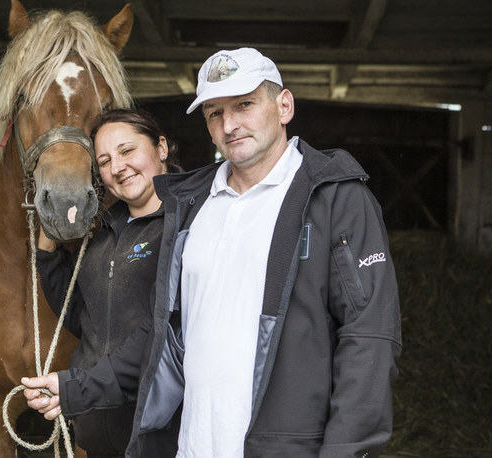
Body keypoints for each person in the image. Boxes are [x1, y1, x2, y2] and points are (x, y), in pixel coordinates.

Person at [23, 47, 402, 458]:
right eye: (215, 113)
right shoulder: (192, 206)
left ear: (284, 105)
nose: (231, 124)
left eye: (244, 105)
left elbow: (369, 338)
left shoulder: (335, 199)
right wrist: (75, 388)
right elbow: (162, 335)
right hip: (194, 446)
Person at [35, 108, 180, 457]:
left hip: (159, 437)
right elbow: (81, 319)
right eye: (104, 160)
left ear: (161, 148)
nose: (117, 167)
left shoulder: (186, 226)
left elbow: (160, 332)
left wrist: (78, 389)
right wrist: (48, 249)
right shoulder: (102, 234)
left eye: (127, 151)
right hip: (97, 432)